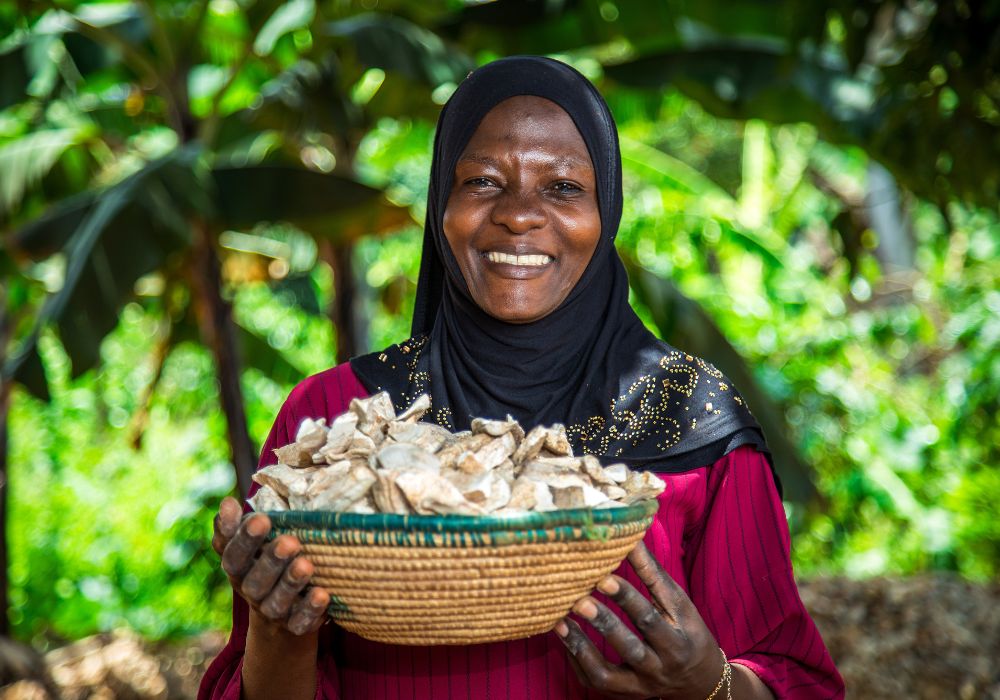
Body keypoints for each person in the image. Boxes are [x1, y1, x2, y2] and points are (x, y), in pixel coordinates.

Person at [200, 56, 845, 700]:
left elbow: (797, 683)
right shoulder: (338, 417)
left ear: (608, 208)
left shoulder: (687, 418)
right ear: (441, 204)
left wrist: (713, 687)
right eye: (483, 181)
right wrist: (279, 631)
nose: (518, 214)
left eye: (563, 187)